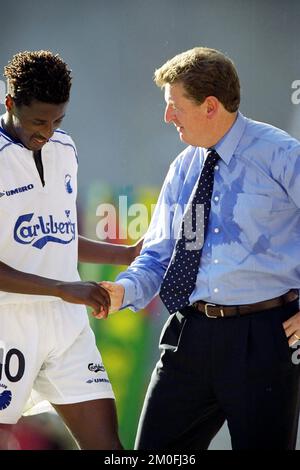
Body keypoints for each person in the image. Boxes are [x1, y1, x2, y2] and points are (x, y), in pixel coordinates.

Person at [101, 46, 300, 450]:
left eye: (174, 105)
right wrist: (121, 291)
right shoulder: (183, 167)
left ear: (210, 106)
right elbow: (158, 255)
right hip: (189, 336)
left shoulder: (281, 154)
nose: (167, 116)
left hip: (265, 340)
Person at [0, 50, 142, 450]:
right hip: (8, 327)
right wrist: (65, 288)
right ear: (10, 103)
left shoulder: (65, 149)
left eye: (58, 119)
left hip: (67, 326)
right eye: (38, 121)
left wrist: (127, 255)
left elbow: (56, 238)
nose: (47, 131)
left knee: (108, 447)